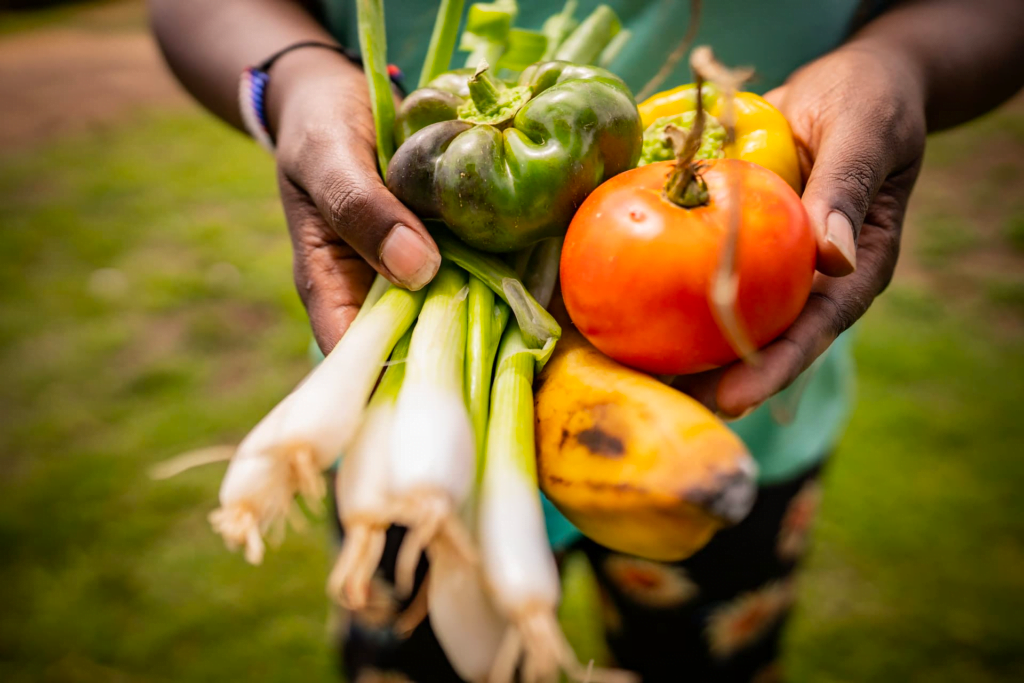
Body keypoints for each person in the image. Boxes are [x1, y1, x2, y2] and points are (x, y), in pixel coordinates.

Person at [149, 1, 1024, 680]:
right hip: (400, 416)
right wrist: (291, 77)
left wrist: (896, 64)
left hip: (721, 434)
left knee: (707, 660)